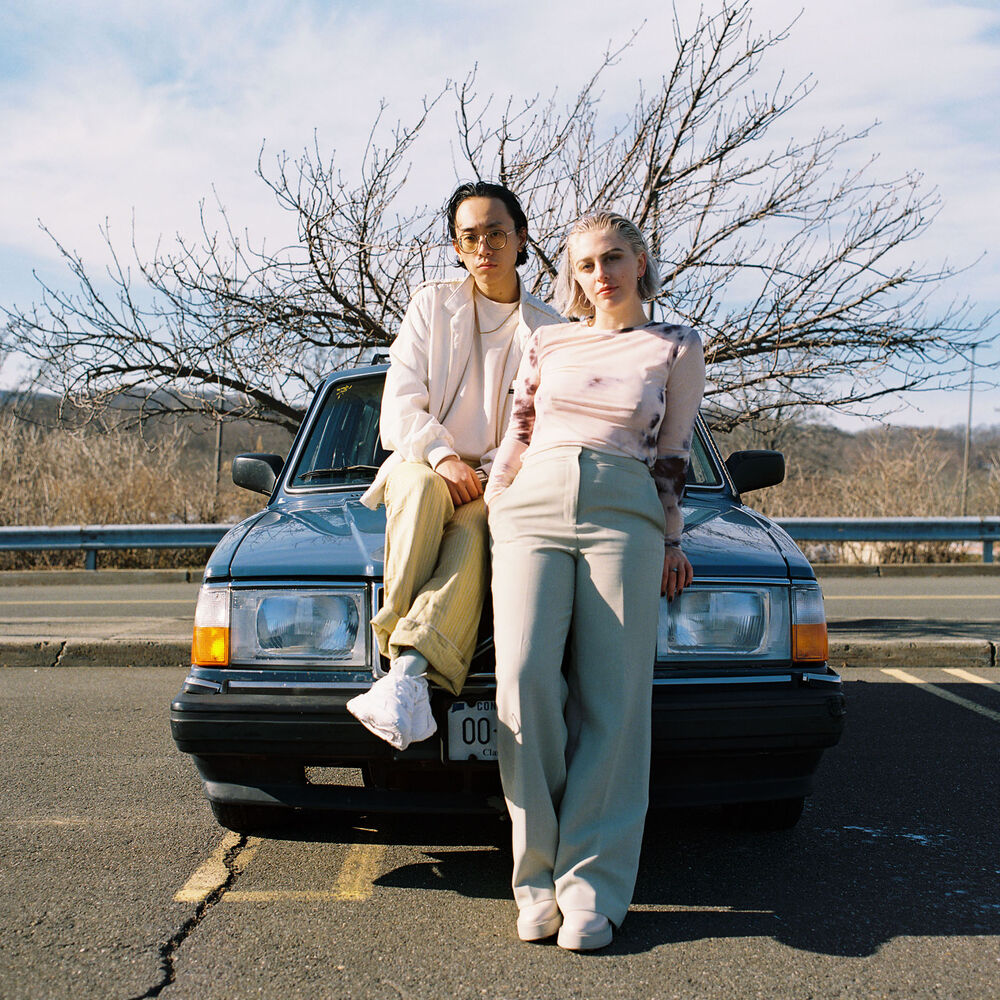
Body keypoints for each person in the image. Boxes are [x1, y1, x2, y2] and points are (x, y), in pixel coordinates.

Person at [484, 211, 705, 951]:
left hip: (624, 509)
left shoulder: (675, 344)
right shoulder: (548, 339)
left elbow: (672, 452)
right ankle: (535, 878)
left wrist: (670, 539)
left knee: (615, 698)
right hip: (533, 505)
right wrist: (497, 507)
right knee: (522, 680)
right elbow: (518, 432)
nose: (599, 275)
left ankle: (591, 886)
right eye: (584, 264)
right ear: (572, 275)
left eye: (612, 258)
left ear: (640, 261)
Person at [348, 181, 560, 751]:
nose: (484, 247)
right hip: (422, 459)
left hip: (500, 479)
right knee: (420, 491)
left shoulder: (551, 328)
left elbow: (545, 426)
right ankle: (400, 657)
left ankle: (404, 676)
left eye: (497, 233)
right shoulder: (431, 305)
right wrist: (443, 456)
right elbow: (400, 403)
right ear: (456, 246)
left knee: (473, 537)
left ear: (521, 239)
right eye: (470, 237)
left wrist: (495, 478)